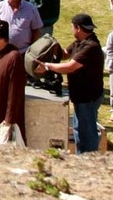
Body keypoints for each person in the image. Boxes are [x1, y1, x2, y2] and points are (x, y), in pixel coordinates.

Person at [39, 13, 107, 154]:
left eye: (72, 27)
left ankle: (89, 159)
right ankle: (81, 157)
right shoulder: (79, 43)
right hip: (81, 97)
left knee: (87, 135)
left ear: (78, 28)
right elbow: (65, 54)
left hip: (88, 98)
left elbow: (70, 67)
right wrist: (52, 46)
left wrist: (47, 66)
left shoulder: (91, 47)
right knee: (79, 132)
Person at [0, 19, 27, 147]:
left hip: (4, 116)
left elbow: (15, 91)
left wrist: (9, 120)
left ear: (1, 39)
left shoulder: (14, 57)